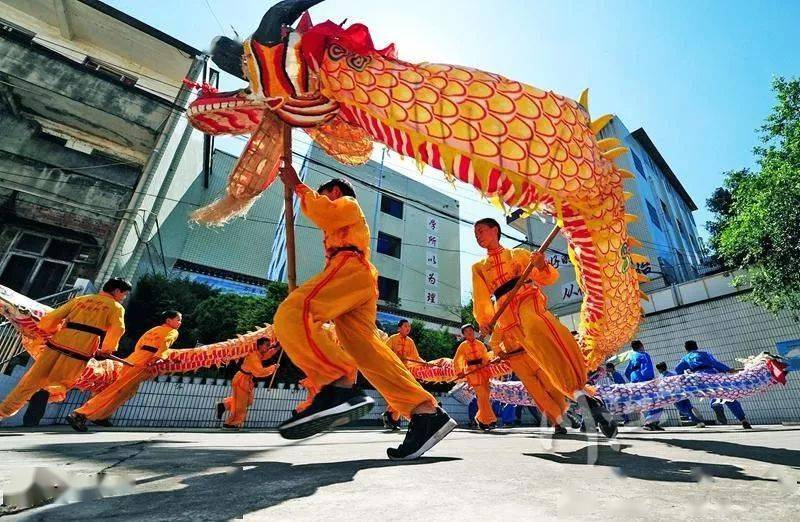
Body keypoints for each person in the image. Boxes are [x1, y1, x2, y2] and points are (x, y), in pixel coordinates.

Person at [273, 166, 455, 460]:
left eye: (323, 194)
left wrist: (298, 186)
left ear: (333, 192)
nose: (320, 198)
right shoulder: (343, 226)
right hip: (357, 276)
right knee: (366, 351)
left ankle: (338, 383)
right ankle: (425, 412)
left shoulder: (346, 204)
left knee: (294, 312)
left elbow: (325, 213)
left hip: (349, 267)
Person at [471, 218, 616, 437]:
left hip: (527, 301)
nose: (478, 236)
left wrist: (540, 265)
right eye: (475, 234)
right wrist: (485, 322)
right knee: (547, 372)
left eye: (481, 231)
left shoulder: (519, 255)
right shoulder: (479, 268)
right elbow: (481, 299)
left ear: (495, 230)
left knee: (540, 332)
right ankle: (583, 401)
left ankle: (582, 398)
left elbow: (547, 278)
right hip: (509, 319)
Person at [0, 278, 130, 420]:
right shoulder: (116, 307)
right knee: (64, 381)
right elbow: (118, 329)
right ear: (117, 290)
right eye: (124, 294)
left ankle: (2, 412)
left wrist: (47, 329)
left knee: (29, 381)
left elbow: (53, 316)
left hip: (56, 344)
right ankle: (49, 391)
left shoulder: (80, 299)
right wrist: (106, 350)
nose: (124, 297)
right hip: (80, 349)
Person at [67, 310, 183, 432]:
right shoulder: (173, 331)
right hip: (144, 361)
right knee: (117, 389)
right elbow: (164, 345)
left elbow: (139, 344)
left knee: (128, 391)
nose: (180, 322)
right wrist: (156, 359)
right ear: (169, 320)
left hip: (134, 358)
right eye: (178, 319)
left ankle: (101, 415)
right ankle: (79, 414)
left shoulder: (153, 330)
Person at [675, 340, 752, 429]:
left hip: (699, 378)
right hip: (713, 375)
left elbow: (678, 369)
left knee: (712, 392)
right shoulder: (705, 354)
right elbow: (715, 363)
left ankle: (715, 404)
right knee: (727, 395)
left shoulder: (685, 358)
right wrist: (728, 369)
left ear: (686, 349)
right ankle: (743, 420)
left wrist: (682, 378)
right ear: (696, 346)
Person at [216, 337, 279, 430]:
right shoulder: (254, 356)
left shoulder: (259, 353)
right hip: (241, 380)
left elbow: (266, 355)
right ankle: (230, 424)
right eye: (267, 345)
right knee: (240, 404)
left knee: (248, 401)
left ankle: (224, 405)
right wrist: (273, 367)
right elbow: (260, 372)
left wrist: (276, 349)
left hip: (246, 379)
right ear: (260, 345)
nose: (269, 347)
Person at [381, 319, 423, 430]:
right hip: (393, 370)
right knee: (397, 395)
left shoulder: (410, 342)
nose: (408, 328)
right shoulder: (392, 339)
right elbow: (384, 352)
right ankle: (391, 418)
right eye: (405, 326)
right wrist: (395, 356)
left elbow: (415, 357)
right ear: (399, 328)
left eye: (409, 326)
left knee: (402, 395)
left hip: (405, 372)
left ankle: (390, 417)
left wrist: (425, 364)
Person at [453, 324, 495, 430]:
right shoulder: (462, 346)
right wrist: (460, 372)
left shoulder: (480, 344)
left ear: (473, 331)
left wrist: (486, 363)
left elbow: (485, 356)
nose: (469, 333)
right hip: (472, 373)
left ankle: (480, 419)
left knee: (485, 396)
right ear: (463, 335)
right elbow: (457, 360)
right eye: (466, 331)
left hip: (483, 372)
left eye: (470, 330)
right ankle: (488, 420)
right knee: (482, 396)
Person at [624, 340, 662, 431]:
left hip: (635, 382)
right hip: (645, 381)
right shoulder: (644, 355)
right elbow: (646, 369)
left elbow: (627, 371)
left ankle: (652, 422)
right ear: (641, 345)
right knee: (658, 401)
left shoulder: (632, 356)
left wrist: (633, 381)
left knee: (647, 403)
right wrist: (650, 381)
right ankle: (650, 422)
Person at [655, 361, 705, 428]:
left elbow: (662, 387)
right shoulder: (674, 373)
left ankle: (698, 421)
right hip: (683, 393)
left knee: (683, 409)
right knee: (688, 407)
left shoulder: (662, 377)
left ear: (659, 369)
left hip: (675, 395)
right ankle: (695, 414)